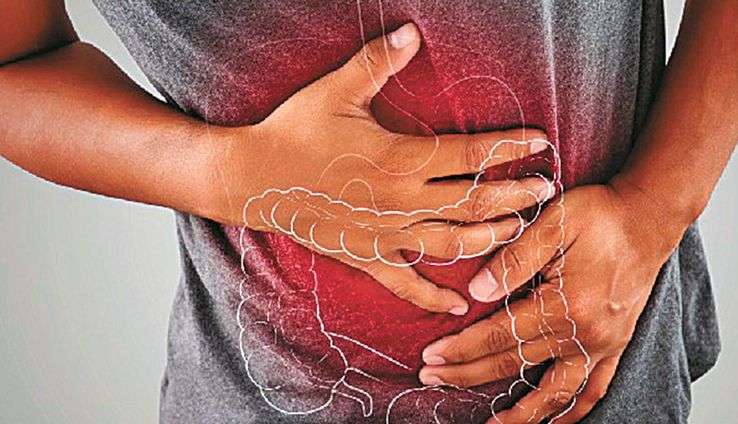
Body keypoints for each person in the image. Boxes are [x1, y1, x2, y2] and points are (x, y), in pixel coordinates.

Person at [1, 0, 735, 423]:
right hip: (264, 393)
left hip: (596, 387)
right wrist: (227, 173)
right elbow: (15, 64)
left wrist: (653, 206)